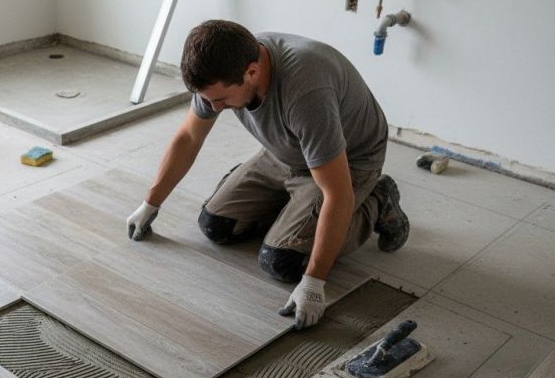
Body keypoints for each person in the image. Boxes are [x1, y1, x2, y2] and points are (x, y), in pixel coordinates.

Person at [126, 20, 409, 329]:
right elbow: (189, 137)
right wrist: (150, 203)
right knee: (216, 226)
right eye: (208, 100)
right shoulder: (218, 69)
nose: (214, 108)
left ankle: (378, 201)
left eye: (220, 100)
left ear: (252, 72)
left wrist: (314, 283)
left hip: (348, 159)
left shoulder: (306, 90)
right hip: (285, 149)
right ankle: (295, 210)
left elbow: (337, 194)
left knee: (282, 261)